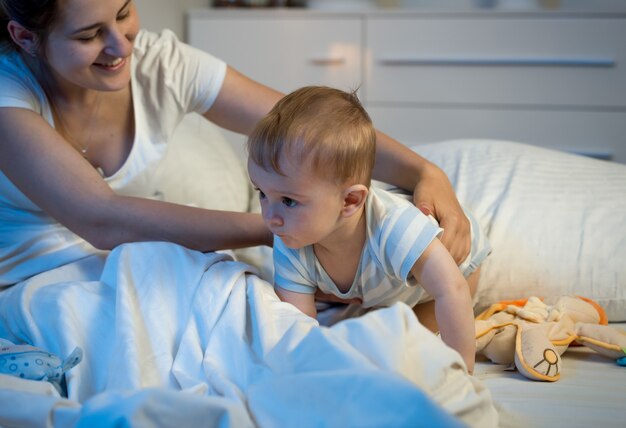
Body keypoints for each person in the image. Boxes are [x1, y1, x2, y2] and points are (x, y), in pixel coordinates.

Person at [0, 0, 469, 287]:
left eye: (123, 13)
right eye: (87, 35)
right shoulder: (8, 99)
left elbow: (309, 131)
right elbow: (103, 219)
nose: (121, 46)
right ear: (24, 37)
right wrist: (286, 226)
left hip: (124, 264)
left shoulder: (161, 63)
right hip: (32, 282)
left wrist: (425, 173)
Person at [247, 86, 492, 373]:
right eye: (262, 193)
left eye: (288, 201)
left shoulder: (395, 227)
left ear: (350, 201)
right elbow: (297, 327)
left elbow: (452, 289)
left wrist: (463, 371)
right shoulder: (291, 240)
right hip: (386, 287)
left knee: (419, 345)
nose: (271, 217)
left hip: (458, 261)